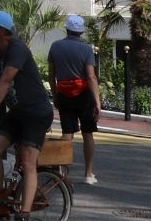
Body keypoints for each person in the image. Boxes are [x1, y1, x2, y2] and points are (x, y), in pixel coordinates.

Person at [0, 10, 52, 219]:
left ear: (1, 30)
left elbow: (5, 79)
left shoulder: (17, 49)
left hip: (36, 112)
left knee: (27, 160)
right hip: (17, 112)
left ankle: (24, 212)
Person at [48, 14, 101, 186]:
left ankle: (62, 175)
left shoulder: (55, 47)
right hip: (84, 95)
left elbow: (51, 74)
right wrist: (97, 102)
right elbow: (91, 77)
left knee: (67, 134)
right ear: (81, 31)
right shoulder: (86, 49)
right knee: (88, 133)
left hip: (64, 93)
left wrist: (55, 95)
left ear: (67, 29)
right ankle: (89, 173)